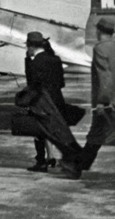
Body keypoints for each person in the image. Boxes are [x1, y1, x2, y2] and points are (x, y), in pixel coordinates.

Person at [24, 31, 68, 172]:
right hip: (56, 100)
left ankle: (41, 162)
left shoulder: (33, 63)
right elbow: (61, 83)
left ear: (31, 46)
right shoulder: (55, 59)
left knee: (38, 133)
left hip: (41, 102)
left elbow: (32, 85)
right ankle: (51, 157)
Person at [77, 18, 115, 174]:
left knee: (96, 133)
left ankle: (79, 166)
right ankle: (81, 165)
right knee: (97, 134)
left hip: (107, 102)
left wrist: (101, 101)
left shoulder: (100, 49)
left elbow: (104, 76)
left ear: (99, 31)